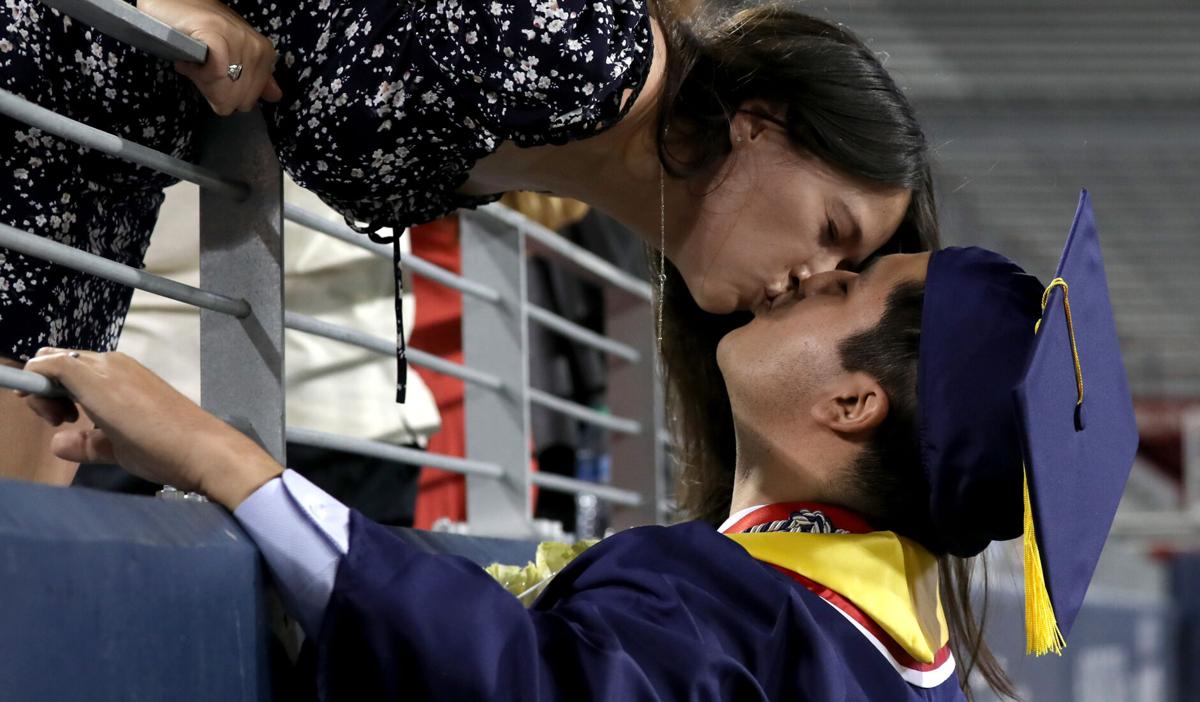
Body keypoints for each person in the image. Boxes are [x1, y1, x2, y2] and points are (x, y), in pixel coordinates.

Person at [17, 193, 1138, 700]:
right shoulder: (892, 652)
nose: (804, 275)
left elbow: (526, 686)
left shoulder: (741, 616)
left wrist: (227, 461)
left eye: (842, 282)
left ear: (853, 406)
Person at [1, 0, 934, 478]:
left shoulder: (583, 129)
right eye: (832, 232)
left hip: (89, 167)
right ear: (763, 123)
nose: (812, 281)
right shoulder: (575, 49)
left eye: (844, 270)